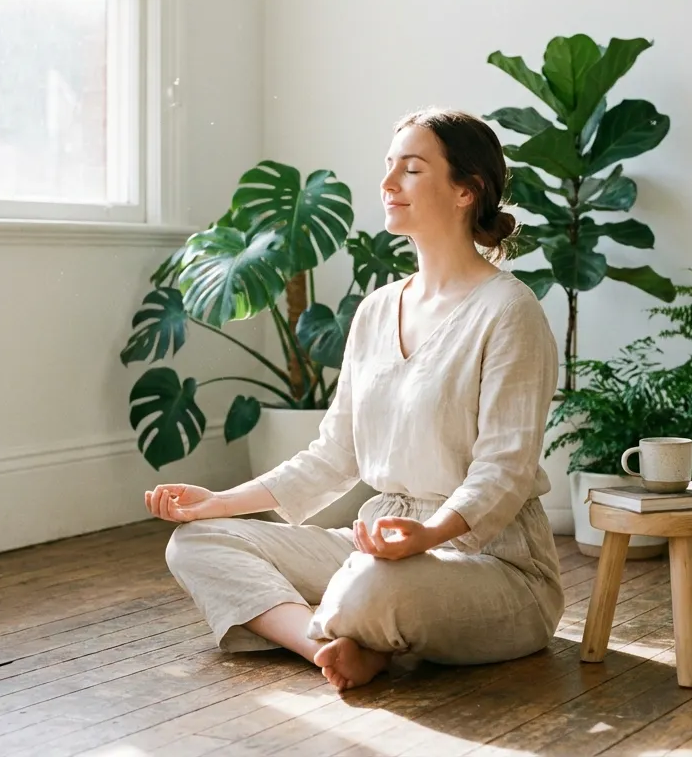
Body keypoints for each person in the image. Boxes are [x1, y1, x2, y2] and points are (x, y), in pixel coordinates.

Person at [146, 108, 564, 692]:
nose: (389, 185)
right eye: (388, 167)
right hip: (379, 542)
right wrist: (218, 502)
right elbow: (332, 454)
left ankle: (352, 621)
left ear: (467, 190)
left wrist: (429, 536)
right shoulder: (374, 310)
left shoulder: (509, 311)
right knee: (198, 542)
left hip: (493, 564)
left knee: (373, 583)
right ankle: (329, 647)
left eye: (412, 170)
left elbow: (504, 470)